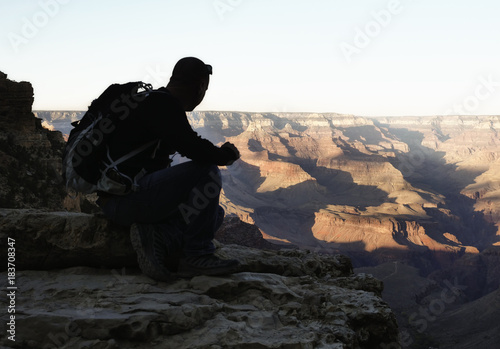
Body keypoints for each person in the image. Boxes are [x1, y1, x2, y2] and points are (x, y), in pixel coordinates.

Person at [96, 57, 241, 281]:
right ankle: (197, 257)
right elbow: (194, 148)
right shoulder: (163, 105)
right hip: (123, 202)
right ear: (201, 86)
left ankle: (158, 238)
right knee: (208, 171)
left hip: (118, 200)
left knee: (214, 214)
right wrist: (226, 155)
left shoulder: (152, 102)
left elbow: (187, 143)